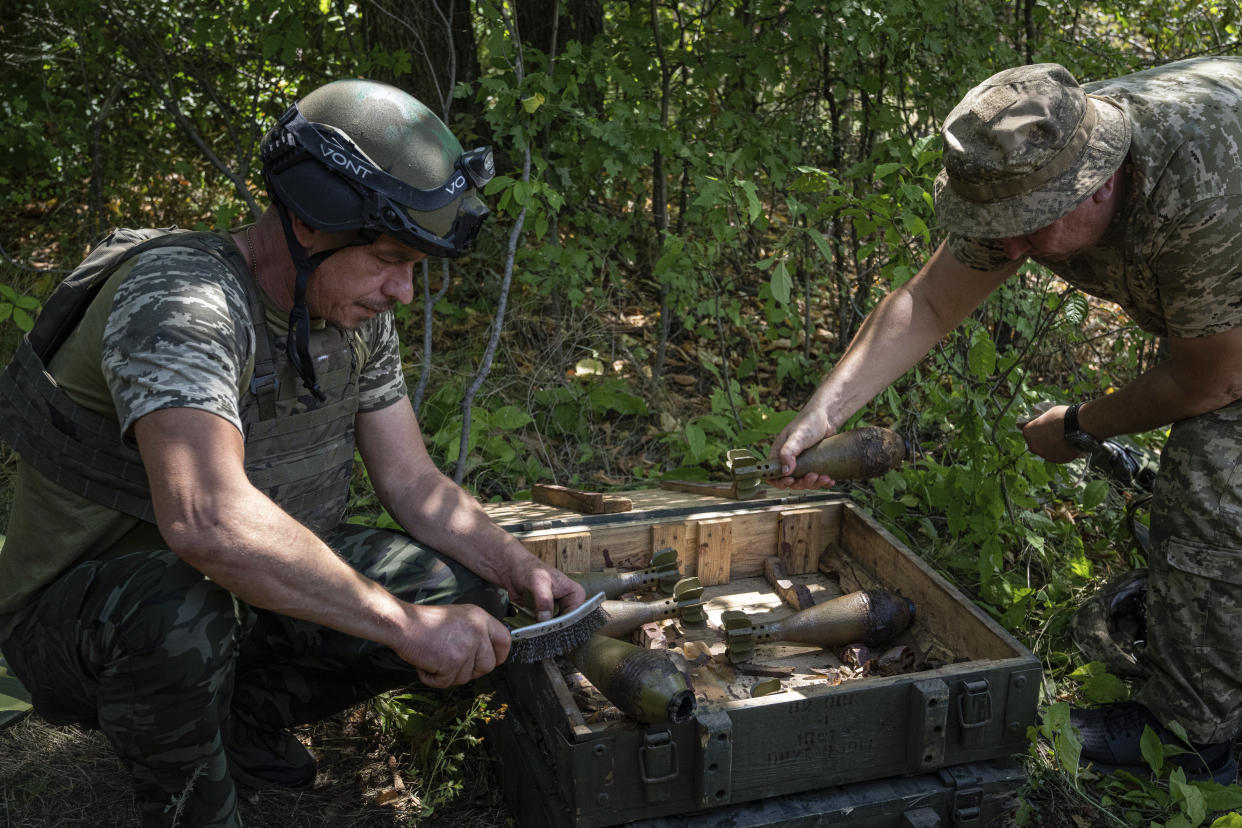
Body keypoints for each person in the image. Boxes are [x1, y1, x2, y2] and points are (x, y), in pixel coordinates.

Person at [0, 79, 584, 826]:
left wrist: (519, 569)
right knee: (181, 613)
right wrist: (405, 627)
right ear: (309, 225)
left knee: (454, 587)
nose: (403, 290)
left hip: (233, 596)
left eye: (417, 267)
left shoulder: (350, 311)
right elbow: (205, 522)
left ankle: (233, 724)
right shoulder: (182, 303)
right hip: (83, 623)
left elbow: (411, 481)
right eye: (388, 257)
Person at [771, 57, 1242, 783]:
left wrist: (1082, 423)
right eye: (1000, 228)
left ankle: (1190, 740)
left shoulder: (1200, 191)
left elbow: (1213, 379)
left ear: (1100, 179)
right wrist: (818, 417)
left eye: (1029, 229)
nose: (1011, 250)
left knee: (1213, 474)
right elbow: (926, 304)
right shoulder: (1023, 168)